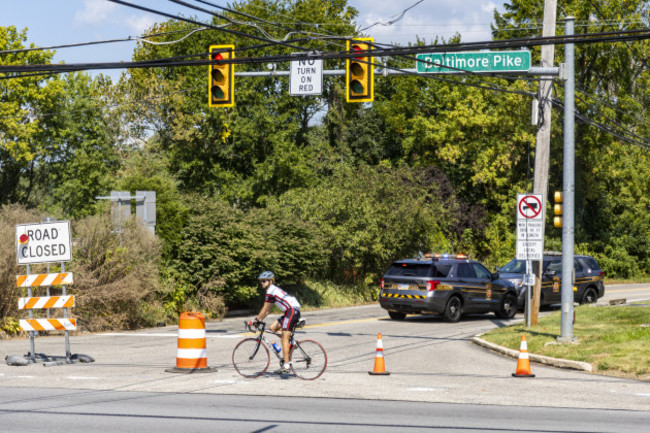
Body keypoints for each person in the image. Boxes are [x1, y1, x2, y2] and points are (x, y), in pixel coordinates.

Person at [251, 271, 301, 374]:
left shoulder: (271, 290)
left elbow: (265, 309)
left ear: (270, 281)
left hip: (292, 311)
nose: (262, 283)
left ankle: (287, 365)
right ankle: (291, 342)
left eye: (264, 281)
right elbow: (268, 310)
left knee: (284, 338)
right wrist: (259, 320)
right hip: (290, 311)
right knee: (272, 328)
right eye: (261, 281)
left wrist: (256, 320)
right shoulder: (272, 291)